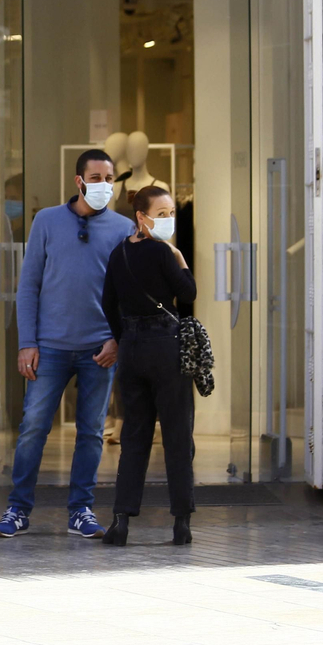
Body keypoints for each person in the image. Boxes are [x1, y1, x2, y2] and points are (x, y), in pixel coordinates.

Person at [0, 149, 135, 540]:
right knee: (33, 427)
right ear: (79, 181)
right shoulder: (47, 221)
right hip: (49, 347)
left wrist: (116, 340)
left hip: (100, 350)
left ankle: (81, 511)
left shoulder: (123, 228)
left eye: (110, 178)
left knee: (90, 431)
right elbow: (30, 284)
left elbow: (128, 294)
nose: (105, 184)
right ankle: (18, 509)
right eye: (97, 177)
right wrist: (27, 342)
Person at [100, 185, 198, 547]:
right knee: (176, 435)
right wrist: (180, 260)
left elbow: (108, 303)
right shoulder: (163, 253)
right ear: (141, 218)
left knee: (134, 437)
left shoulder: (118, 254)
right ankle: (181, 522)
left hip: (132, 349)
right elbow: (187, 293)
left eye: (172, 213)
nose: (168, 220)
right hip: (166, 349)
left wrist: (125, 336)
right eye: (161, 214)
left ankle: (121, 521)